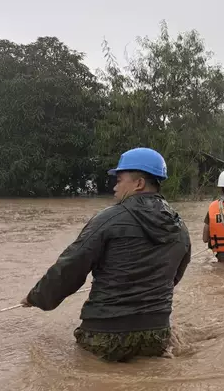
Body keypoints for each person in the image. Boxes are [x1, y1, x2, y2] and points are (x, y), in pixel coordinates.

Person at [20, 147, 192, 362]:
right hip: (156, 335)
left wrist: (36, 297)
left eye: (119, 180)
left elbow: (71, 266)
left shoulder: (109, 218)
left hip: (104, 334)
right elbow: (174, 276)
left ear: (138, 184)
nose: (114, 187)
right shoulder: (179, 226)